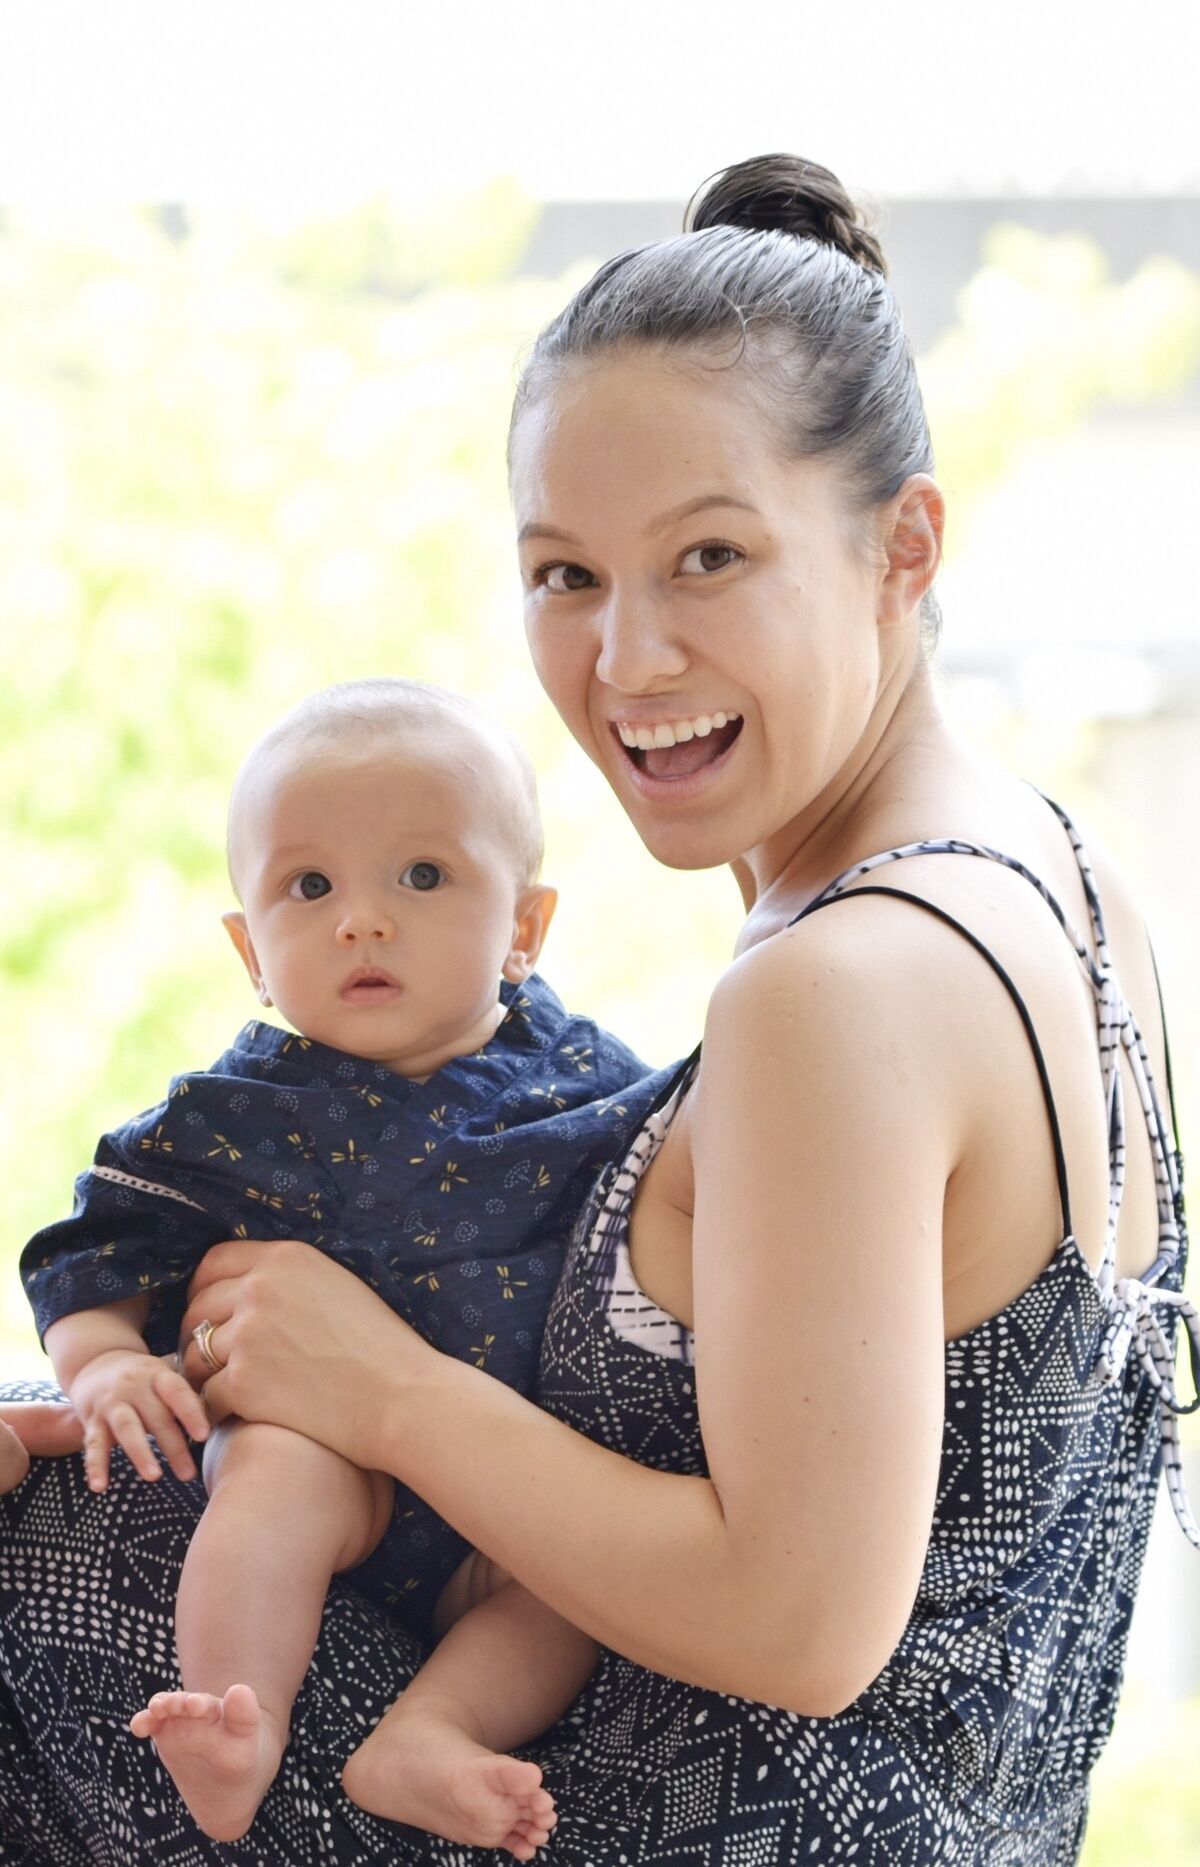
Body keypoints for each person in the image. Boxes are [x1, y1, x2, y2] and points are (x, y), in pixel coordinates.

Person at [2, 151, 1197, 1865]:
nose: (626, 661)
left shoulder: (835, 986)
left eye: (708, 557)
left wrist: (386, 1390)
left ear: (901, 546)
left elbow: (803, 1622)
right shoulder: (1075, 891)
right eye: (565, 574)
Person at [17, 678, 668, 1855]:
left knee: (576, 1591)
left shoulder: (598, 1083)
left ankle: (428, 1733)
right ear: (249, 949)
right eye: (308, 887)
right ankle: (230, 1719)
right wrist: (105, 1365)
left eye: (422, 876)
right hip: (333, 1470)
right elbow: (88, 1247)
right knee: (270, 1474)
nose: (361, 920)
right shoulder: (229, 1115)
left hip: (508, 1498)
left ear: (524, 926)